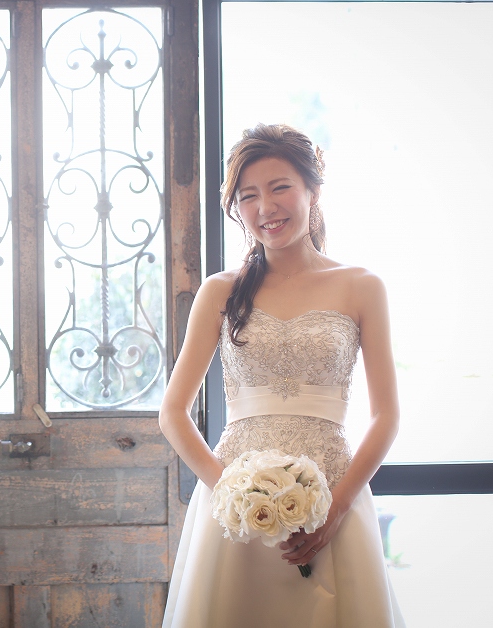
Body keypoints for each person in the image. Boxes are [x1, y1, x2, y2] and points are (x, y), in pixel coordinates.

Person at [159, 124, 404, 627]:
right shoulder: (220, 291)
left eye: (279, 188)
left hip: (333, 494)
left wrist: (336, 509)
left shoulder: (361, 286)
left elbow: (386, 416)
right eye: (248, 196)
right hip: (235, 512)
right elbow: (173, 414)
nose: (265, 207)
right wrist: (231, 492)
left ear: (312, 190)